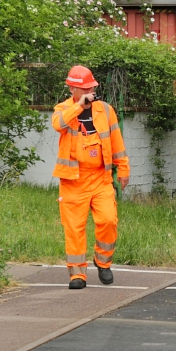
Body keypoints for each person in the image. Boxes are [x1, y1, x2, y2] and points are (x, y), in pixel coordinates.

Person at [51, 65, 130, 289]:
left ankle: (103, 262)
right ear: (73, 89)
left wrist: (123, 169)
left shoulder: (105, 110)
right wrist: (78, 107)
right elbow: (59, 125)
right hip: (73, 181)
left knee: (108, 220)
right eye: (85, 88)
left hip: (101, 178)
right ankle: (77, 275)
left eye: (92, 88)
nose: (90, 92)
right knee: (74, 228)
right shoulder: (63, 109)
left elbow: (116, 141)